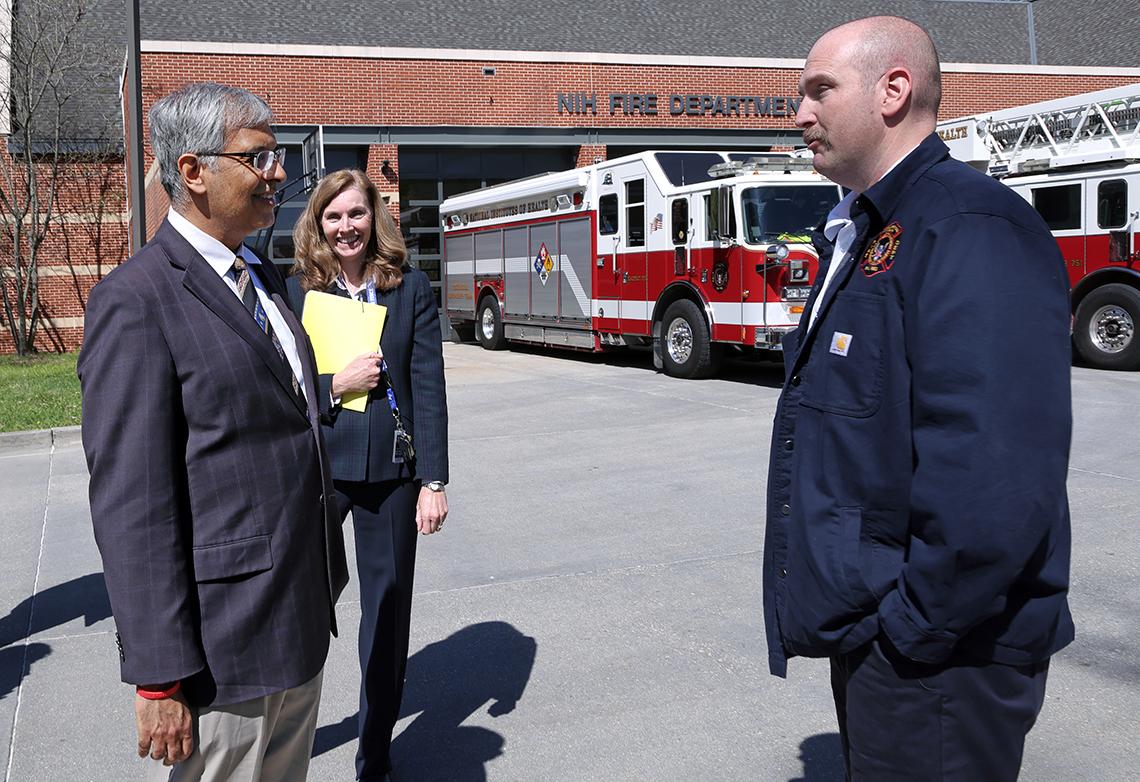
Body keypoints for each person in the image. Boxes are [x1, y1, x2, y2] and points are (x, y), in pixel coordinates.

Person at [763, 16, 1073, 781]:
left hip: (940, 656)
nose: (800, 113)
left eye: (819, 90)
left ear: (893, 90)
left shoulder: (967, 225)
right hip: (886, 636)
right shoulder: (872, 227)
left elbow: (993, 466)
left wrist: (911, 628)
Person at [78, 82, 348, 781]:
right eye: (259, 158)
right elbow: (133, 506)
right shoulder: (134, 302)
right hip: (223, 647)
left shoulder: (262, 273)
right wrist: (160, 677)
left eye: (277, 155)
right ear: (193, 171)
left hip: (297, 618)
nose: (279, 173)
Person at [288, 168, 449, 782]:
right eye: (333, 216)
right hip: (321, 471)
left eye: (356, 214)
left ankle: (373, 759)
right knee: (301, 607)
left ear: (374, 217)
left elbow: (429, 389)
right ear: (318, 224)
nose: (346, 227)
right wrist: (337, 387)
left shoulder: (409, 289)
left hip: (392, 475)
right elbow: (280, 390)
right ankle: (287, 743)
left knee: (385, 615)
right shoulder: (298, 293)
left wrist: (432, 480)